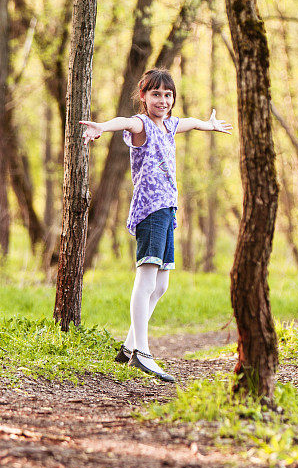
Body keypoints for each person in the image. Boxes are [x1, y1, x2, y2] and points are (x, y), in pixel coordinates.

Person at [80, 67, 232, 382]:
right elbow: (124, 121)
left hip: (168, 210)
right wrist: (102, 127)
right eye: (155, 94)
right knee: (147, 279)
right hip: (150, 209)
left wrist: (208, 125)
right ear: (144, 97)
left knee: (161, 285)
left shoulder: (169, 125)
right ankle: (142, 353)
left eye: (167, 95)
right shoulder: (143, 125)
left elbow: (187, 122)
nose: (162, 100)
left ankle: (129, 345)